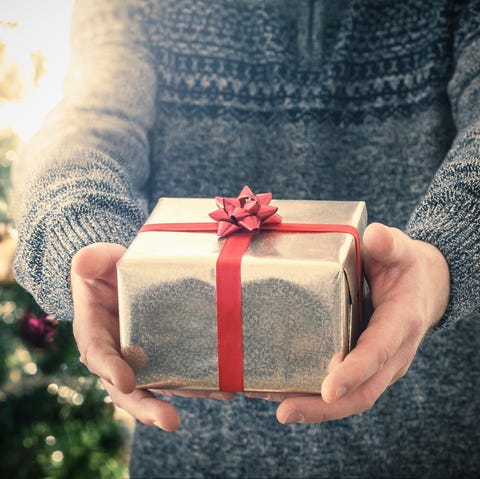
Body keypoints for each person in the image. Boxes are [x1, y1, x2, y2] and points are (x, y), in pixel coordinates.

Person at [12, 0, 480, 477]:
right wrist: (81, 236)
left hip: (439, 441)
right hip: (190, 451)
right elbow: (85, 123)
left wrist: (445, 256)